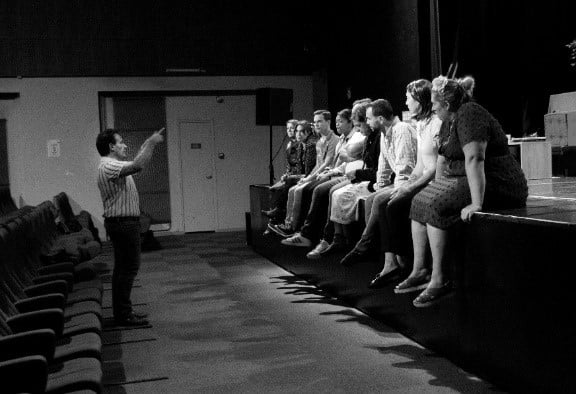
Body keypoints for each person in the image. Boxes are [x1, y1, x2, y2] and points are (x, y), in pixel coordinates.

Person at [407, 75, 528, 307]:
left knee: (436, 205)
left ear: (447, 104)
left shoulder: (469, 113)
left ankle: (440, 279)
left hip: (497, 180)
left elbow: (475, 157)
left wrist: (476, 203)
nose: (431, 107)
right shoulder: (448, 121)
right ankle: (420, 269)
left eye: (434, 103)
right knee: (420, 200)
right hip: (463, 177)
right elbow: (443, 158)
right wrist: (437, 186)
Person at [365, 79, 441, 288]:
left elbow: (434, 168)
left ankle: (407, 264)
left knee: (394, 205)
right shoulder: (421, 125)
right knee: (384, 203)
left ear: (419, 99)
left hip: (434, 181)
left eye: (409, 97)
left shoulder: (436, 123)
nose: (405, 102)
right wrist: (406, 184)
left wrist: (410, 186)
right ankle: (391, 263)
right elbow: (419, 165)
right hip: (423, 179)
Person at [96, 127, 165, 326]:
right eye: (121, 142)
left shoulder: (113, 164)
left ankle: (123, 312)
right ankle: (124, 314)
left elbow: (136, 162)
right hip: (123, 225)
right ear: (111, 147)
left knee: (123, 269)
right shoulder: (107, 166)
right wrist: (151, 143)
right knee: (128, 269)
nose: (125, 145)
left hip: (124, 224)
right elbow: (137, 166)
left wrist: (146, 144)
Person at [336, 98, 417, 265]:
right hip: (399, 181)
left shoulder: (401, 130)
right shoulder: (384, 134)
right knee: (372, 198)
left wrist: (396, 191)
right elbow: (383, 168)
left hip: (411, 181)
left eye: (368, 118)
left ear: (380, 118)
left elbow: (405, 168)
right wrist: (379, 186)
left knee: (380, 200)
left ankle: (365, 246)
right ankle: (373, 250)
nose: (366, 122)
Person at [280, 108, 365, 247]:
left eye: (341, 121)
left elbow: (340, 162)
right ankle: (299, 229)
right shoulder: (336, 139)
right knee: (301, 188)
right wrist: (314, 176)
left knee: (316, 190)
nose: (317, 125)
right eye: (315, 122)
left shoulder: (346, 138)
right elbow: (330, 164)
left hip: (345, 175)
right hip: (336, 173)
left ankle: (321, 237)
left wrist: (323, 173)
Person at [271, 110, 338, 238]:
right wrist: (308, 178)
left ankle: (296, 227)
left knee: (298, 190)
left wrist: (308, 178)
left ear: (328, 122)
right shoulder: (320, 141)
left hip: (328, 175)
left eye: (320, 121)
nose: (317, 124)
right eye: (315, 122)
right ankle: (288, 224)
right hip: (318, 175)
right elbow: (318, 165)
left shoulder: (332, 140)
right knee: (293, 189)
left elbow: (327, 164)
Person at [268, 120, 318, 236]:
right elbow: (294, 165)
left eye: (300, 131)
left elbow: (308, 170)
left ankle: (290, 224)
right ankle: (278, 221)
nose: (297, 134)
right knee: (275, 188)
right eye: (296, 131)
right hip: (299, 175)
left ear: (308, 132)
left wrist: (293, 176)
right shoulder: (298, 144)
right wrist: (287, 174)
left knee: (291, 186)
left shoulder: (310, 144)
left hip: (309, 176)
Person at [262, 119, 301, 224]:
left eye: (292, 128)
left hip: (299, 175)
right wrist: (286, 174)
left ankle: (279, 214)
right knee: (273, 188)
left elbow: (300, 164)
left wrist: (290, 176)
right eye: (287, 129)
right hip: (291, 174)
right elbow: (289, 164)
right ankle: (274, 220)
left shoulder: (300, 144)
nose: (289, 131)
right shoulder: (289, 144)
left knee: (284, 186)